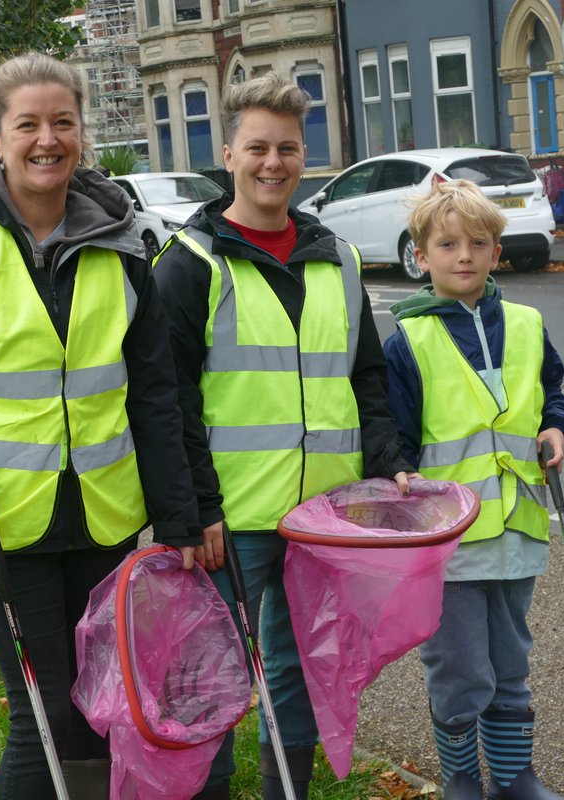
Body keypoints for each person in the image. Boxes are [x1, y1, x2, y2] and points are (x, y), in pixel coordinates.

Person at [0, 52, 201, 800]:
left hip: (107, 523)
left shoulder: (125, 245)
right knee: (44, 716)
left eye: (63, 122)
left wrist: (180, 520)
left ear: (82, 133)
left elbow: (155, 393)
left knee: (99, 713)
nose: (47, 139)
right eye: (28, 124)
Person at [152, 71, 414, 800]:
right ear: (229, 155)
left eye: (290, 149)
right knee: (210, 672)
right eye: (258, 148)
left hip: (323, 518)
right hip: (229, 522)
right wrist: (193, 511)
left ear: (305, 156)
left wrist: (385, 462)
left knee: (300, 668)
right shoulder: (190, 264)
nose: (275, 164)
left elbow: (366, 379)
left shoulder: (339, 258)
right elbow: (167, 403)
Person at [381, 179, 564, 800]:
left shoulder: (526, 322)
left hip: (517, 527)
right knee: (459, 666)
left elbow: (553, 396)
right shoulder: (406, 341)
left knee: (510, 660)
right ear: (422, 257)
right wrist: (399, 474)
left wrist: (556, 429)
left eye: (478, 243)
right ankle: (463, 778)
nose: (463, 255)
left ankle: (515, 776)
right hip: (448, 540)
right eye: (447, 244)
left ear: (497, 251)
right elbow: (396, 434)